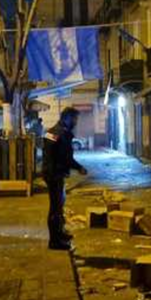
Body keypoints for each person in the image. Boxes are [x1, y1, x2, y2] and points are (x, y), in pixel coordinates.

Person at [43, 107, 88, 250]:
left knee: (59, 206)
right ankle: (55, 241)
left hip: (52, 173)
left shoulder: (52, 131)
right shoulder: (62, 134)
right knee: (56, 208)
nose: (76, 122)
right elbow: (65, 158)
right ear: (67, 118)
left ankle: (60, 234)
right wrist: (79, 167)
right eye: (74, 119)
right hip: (55, 174)